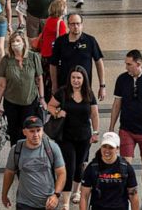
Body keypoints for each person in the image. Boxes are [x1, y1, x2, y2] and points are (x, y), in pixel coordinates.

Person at [109, 50, 142, 210]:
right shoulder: (122, 79)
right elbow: (117, 104)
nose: (126, 67)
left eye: (129, 64)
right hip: (127, 129)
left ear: (138, 64)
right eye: (126, 64)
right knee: (125, 165)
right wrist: (111, 129)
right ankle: (128, 197)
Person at [47, 66, 100, 208]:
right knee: (69, 166)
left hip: (84, 136)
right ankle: (65, 201)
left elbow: (94, 114)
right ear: (70, 79)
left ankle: (76, 192)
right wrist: (57, 113)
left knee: (80, 165)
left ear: (84, 79)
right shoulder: (63, 92)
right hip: (66, 136)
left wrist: (95, 132)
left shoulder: (89, 93)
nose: (76, 81)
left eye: (79, 78)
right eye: (73, 77)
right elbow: (50, 106)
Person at [2, 116, 66, 210]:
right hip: (24, 204)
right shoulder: (16, 150)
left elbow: (61, 173)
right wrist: (4, 194)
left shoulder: (52, 148)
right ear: (24, 132)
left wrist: (56, 195)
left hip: (48, 203)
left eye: (38, 130)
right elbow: (9, 173)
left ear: (42, 130)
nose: (36, 134)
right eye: (31, 131)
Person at [0, 31, 46, 146]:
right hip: (11, 102)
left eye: (18, 41)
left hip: (29, 102)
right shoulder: (6, 60)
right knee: (14, 133)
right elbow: (2, 84)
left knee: (28, 130)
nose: (15, 44)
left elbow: (39, 79)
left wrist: (42, 98)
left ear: (23, 42)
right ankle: (16, 156)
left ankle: (27, 156)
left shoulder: (33, 57)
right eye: (13, 41)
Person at [49, 12, 106, 97]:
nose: (75, 26)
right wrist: (54, 86)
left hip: (84, 88)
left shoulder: (90, 40)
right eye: (72, 24)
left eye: (78, 24)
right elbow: (53, 65)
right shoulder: (60, 42)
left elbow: (99, 62)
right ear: (68, 25)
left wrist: (102, 86)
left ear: (82, 25)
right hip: (64, 87)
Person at [79, 132, 140, 210]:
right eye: (104, 146)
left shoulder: (126, 168)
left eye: (111, 147)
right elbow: (84, 196)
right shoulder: (92, 167)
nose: (107, 150)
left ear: (117, 149)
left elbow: (133, 195)